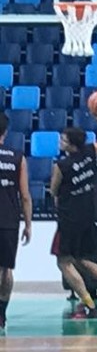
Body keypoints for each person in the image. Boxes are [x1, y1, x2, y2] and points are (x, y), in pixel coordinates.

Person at [49, 117, 97, 319]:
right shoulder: (90, 151)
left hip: (69, 219)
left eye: (63, 139)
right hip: (87, 215)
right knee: (83, 259)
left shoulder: (62, 165)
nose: (60, 141)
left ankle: (89, 306)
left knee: (64, 262)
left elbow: (54, 190)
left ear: (71, 144)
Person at [0, 112, 33, 332]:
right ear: (6, 131)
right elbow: (25, 195)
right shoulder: (18, 156)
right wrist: (28, 224)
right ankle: (1, 313)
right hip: (9, 219)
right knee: (6, 270)